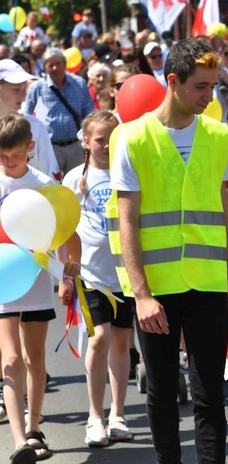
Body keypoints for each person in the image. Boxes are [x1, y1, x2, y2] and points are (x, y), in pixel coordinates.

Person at [105, 38, 228, 463]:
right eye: (201, 87)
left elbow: (223, 211)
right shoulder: (130, 137)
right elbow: (126, 220)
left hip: (205, 284)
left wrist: (227, 276)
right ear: (173, 81)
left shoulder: (222, 136)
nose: (208, 96)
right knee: (162, 393)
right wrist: (142, 294)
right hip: (156, 290)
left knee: (210, 398)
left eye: (214, 87)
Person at [0, 114, 79, 463]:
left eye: (14, 155)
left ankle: (34, 429)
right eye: (1, 156)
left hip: (35, 281)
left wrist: (67, 273)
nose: (7, 162)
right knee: (11, 358)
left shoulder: (44, 185)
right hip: (2, 282)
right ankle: (18, 440)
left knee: (35, 359)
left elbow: (66, 229)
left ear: (30, 149)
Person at [58, 111, 136, 447]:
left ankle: (118, 414)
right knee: (98, 338)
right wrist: (65, 271)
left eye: (111, 137)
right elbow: (64, 229)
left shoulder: (129, 173)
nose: (105, 144)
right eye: (99, 139)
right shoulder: (74, 179)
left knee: (122, 342)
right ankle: (95, 416)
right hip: (89, 273)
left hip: (125, 273)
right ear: (86, 141)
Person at [24, 49, 94, 175]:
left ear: (65, 64)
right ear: (45, 67)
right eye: (50, 65)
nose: (55, 68)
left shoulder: (79, 83)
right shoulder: (36, 88)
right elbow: (27, 118)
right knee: (52, 183)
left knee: (77, 182)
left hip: (76, 145)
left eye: (58, 63)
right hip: (50, 147)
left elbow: (89, 112)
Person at [0, 59, 60, 181]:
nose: (23, 96)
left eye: (24, 89)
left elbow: (50, 171)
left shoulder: (35, 126)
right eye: (16, 89)